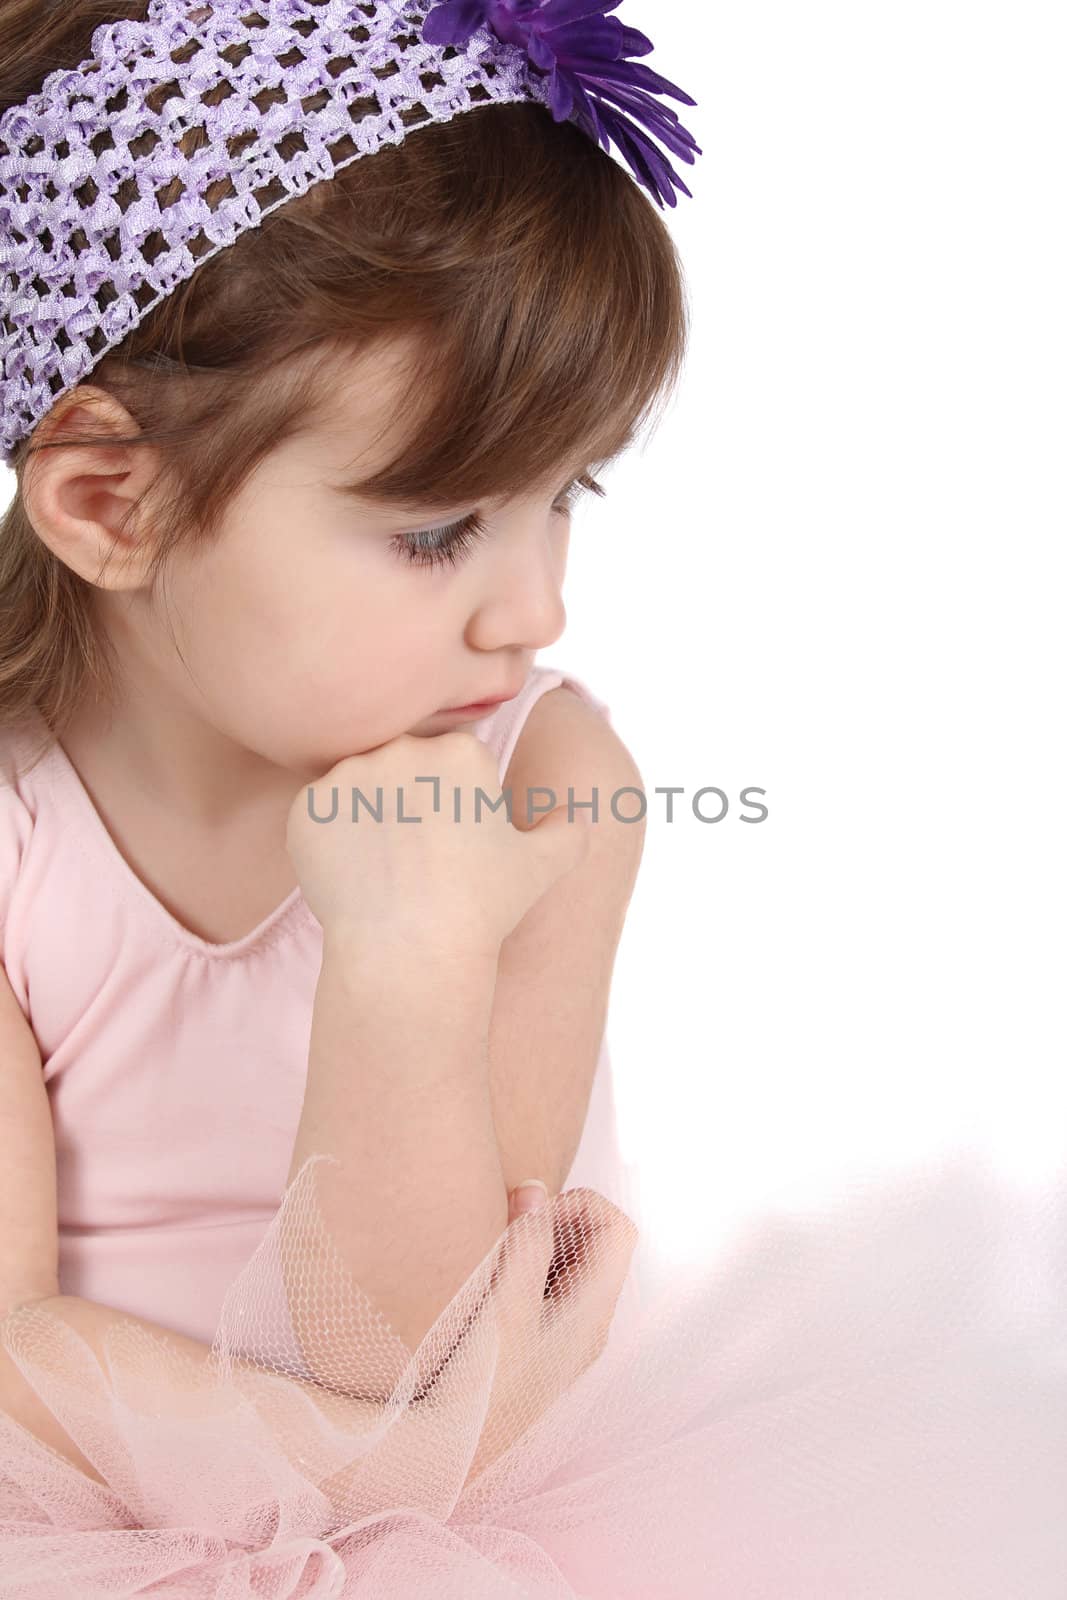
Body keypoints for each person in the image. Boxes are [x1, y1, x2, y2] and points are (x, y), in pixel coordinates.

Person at [1, 4, 1065, 1596]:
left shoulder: (552, 780)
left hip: (473, 1524)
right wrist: (351, 1460)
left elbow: (428, 1361)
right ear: (111, 500)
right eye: (441, 531)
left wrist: (405, 967)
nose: (534, 614)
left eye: (562, 497)